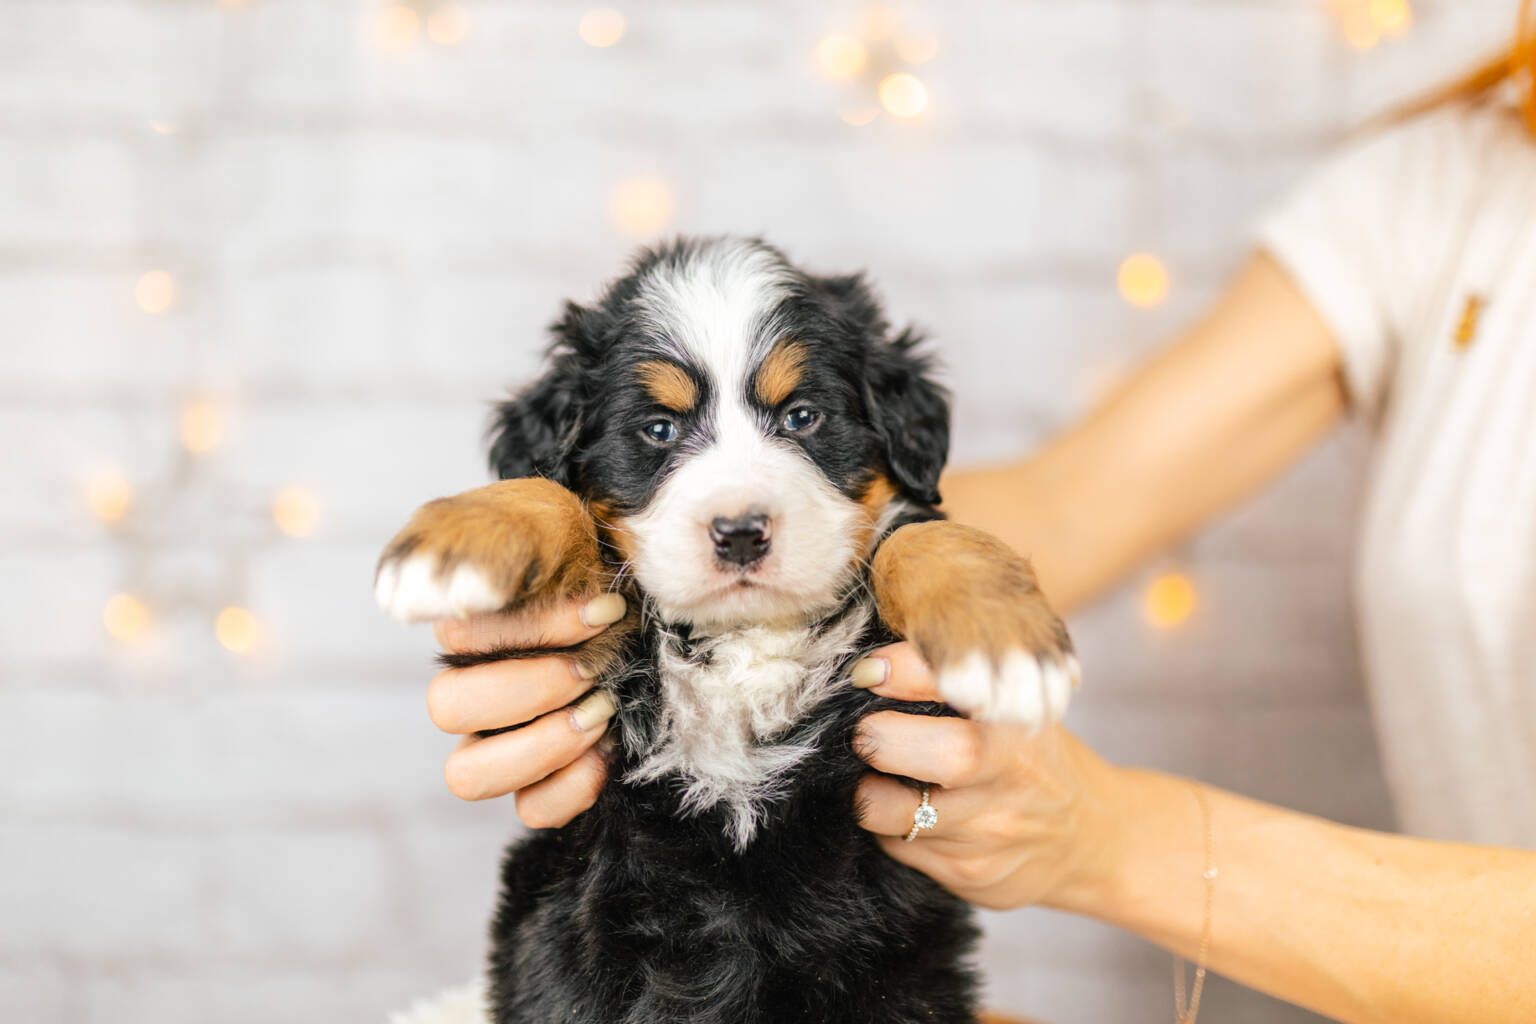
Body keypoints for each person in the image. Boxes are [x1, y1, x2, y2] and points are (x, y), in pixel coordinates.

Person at [420, 10, 1536, 1023]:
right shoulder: (1454, 180)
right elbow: (1074, 497)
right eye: (663, 431)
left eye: (801, 416)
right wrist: (554, 557)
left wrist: (1109, 835)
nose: (740, 498)